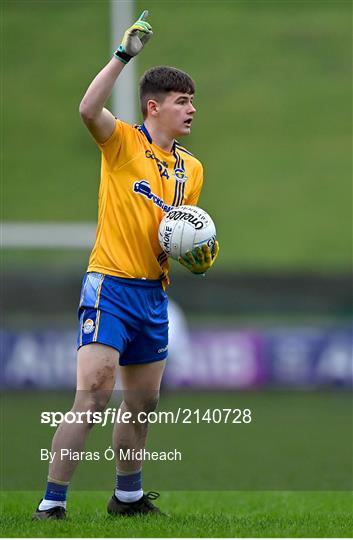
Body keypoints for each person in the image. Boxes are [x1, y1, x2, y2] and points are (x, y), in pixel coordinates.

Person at [33, 10, 218, 520]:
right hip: (109, 284)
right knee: (92, 393)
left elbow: (179, 233)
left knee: (143, 402)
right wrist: (122, 56)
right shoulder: (122, 143)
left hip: (152, 293)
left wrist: (198, 255)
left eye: (192, 102)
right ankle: (52, 504)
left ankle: (128, 497)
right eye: (183, 102)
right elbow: (88, 108)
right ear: (153, 107)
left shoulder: (191, 169)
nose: (191, 110)